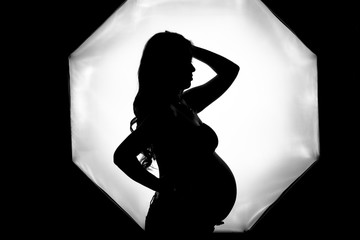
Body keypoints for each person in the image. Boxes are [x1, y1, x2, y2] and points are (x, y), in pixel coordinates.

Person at [113, 31, 239, 238]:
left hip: (195, 222)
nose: (193, 67)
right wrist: (164, 188)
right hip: (176, 222)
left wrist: (190, 49)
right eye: (185, 61)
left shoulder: (186, 104)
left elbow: (229, 71)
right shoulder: (163, 112)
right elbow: (122, 156)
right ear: (168, 66)